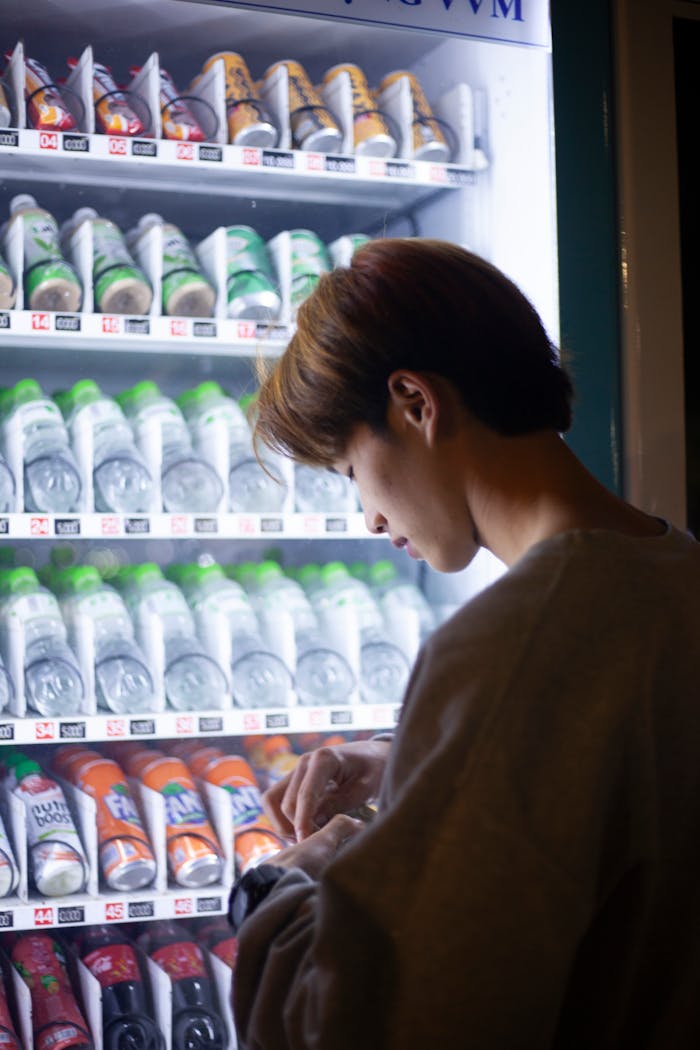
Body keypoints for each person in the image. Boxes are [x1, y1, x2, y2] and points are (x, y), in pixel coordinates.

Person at [229, 238, 700, 1049]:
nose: (370, 518)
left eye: (351, 470)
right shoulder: (674, 565)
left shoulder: (504, 647)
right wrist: (410, 756)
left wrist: (288, 879)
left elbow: (357, 1029)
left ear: (415, 402)